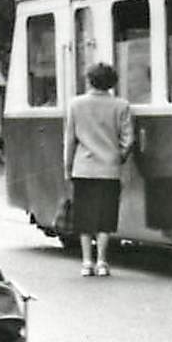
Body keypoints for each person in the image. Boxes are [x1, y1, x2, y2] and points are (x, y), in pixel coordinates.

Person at [63, 62, 135, 276]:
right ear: (112, 82)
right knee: (106, 217)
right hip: (109, 169)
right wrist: (119, 157)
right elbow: (128, 139)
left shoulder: (75, 105)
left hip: (83, 168)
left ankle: (86, 262)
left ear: (89, 80)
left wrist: (67, 168)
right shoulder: (121, 106)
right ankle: (102, 262)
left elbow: (69, 140)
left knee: (84, 218)